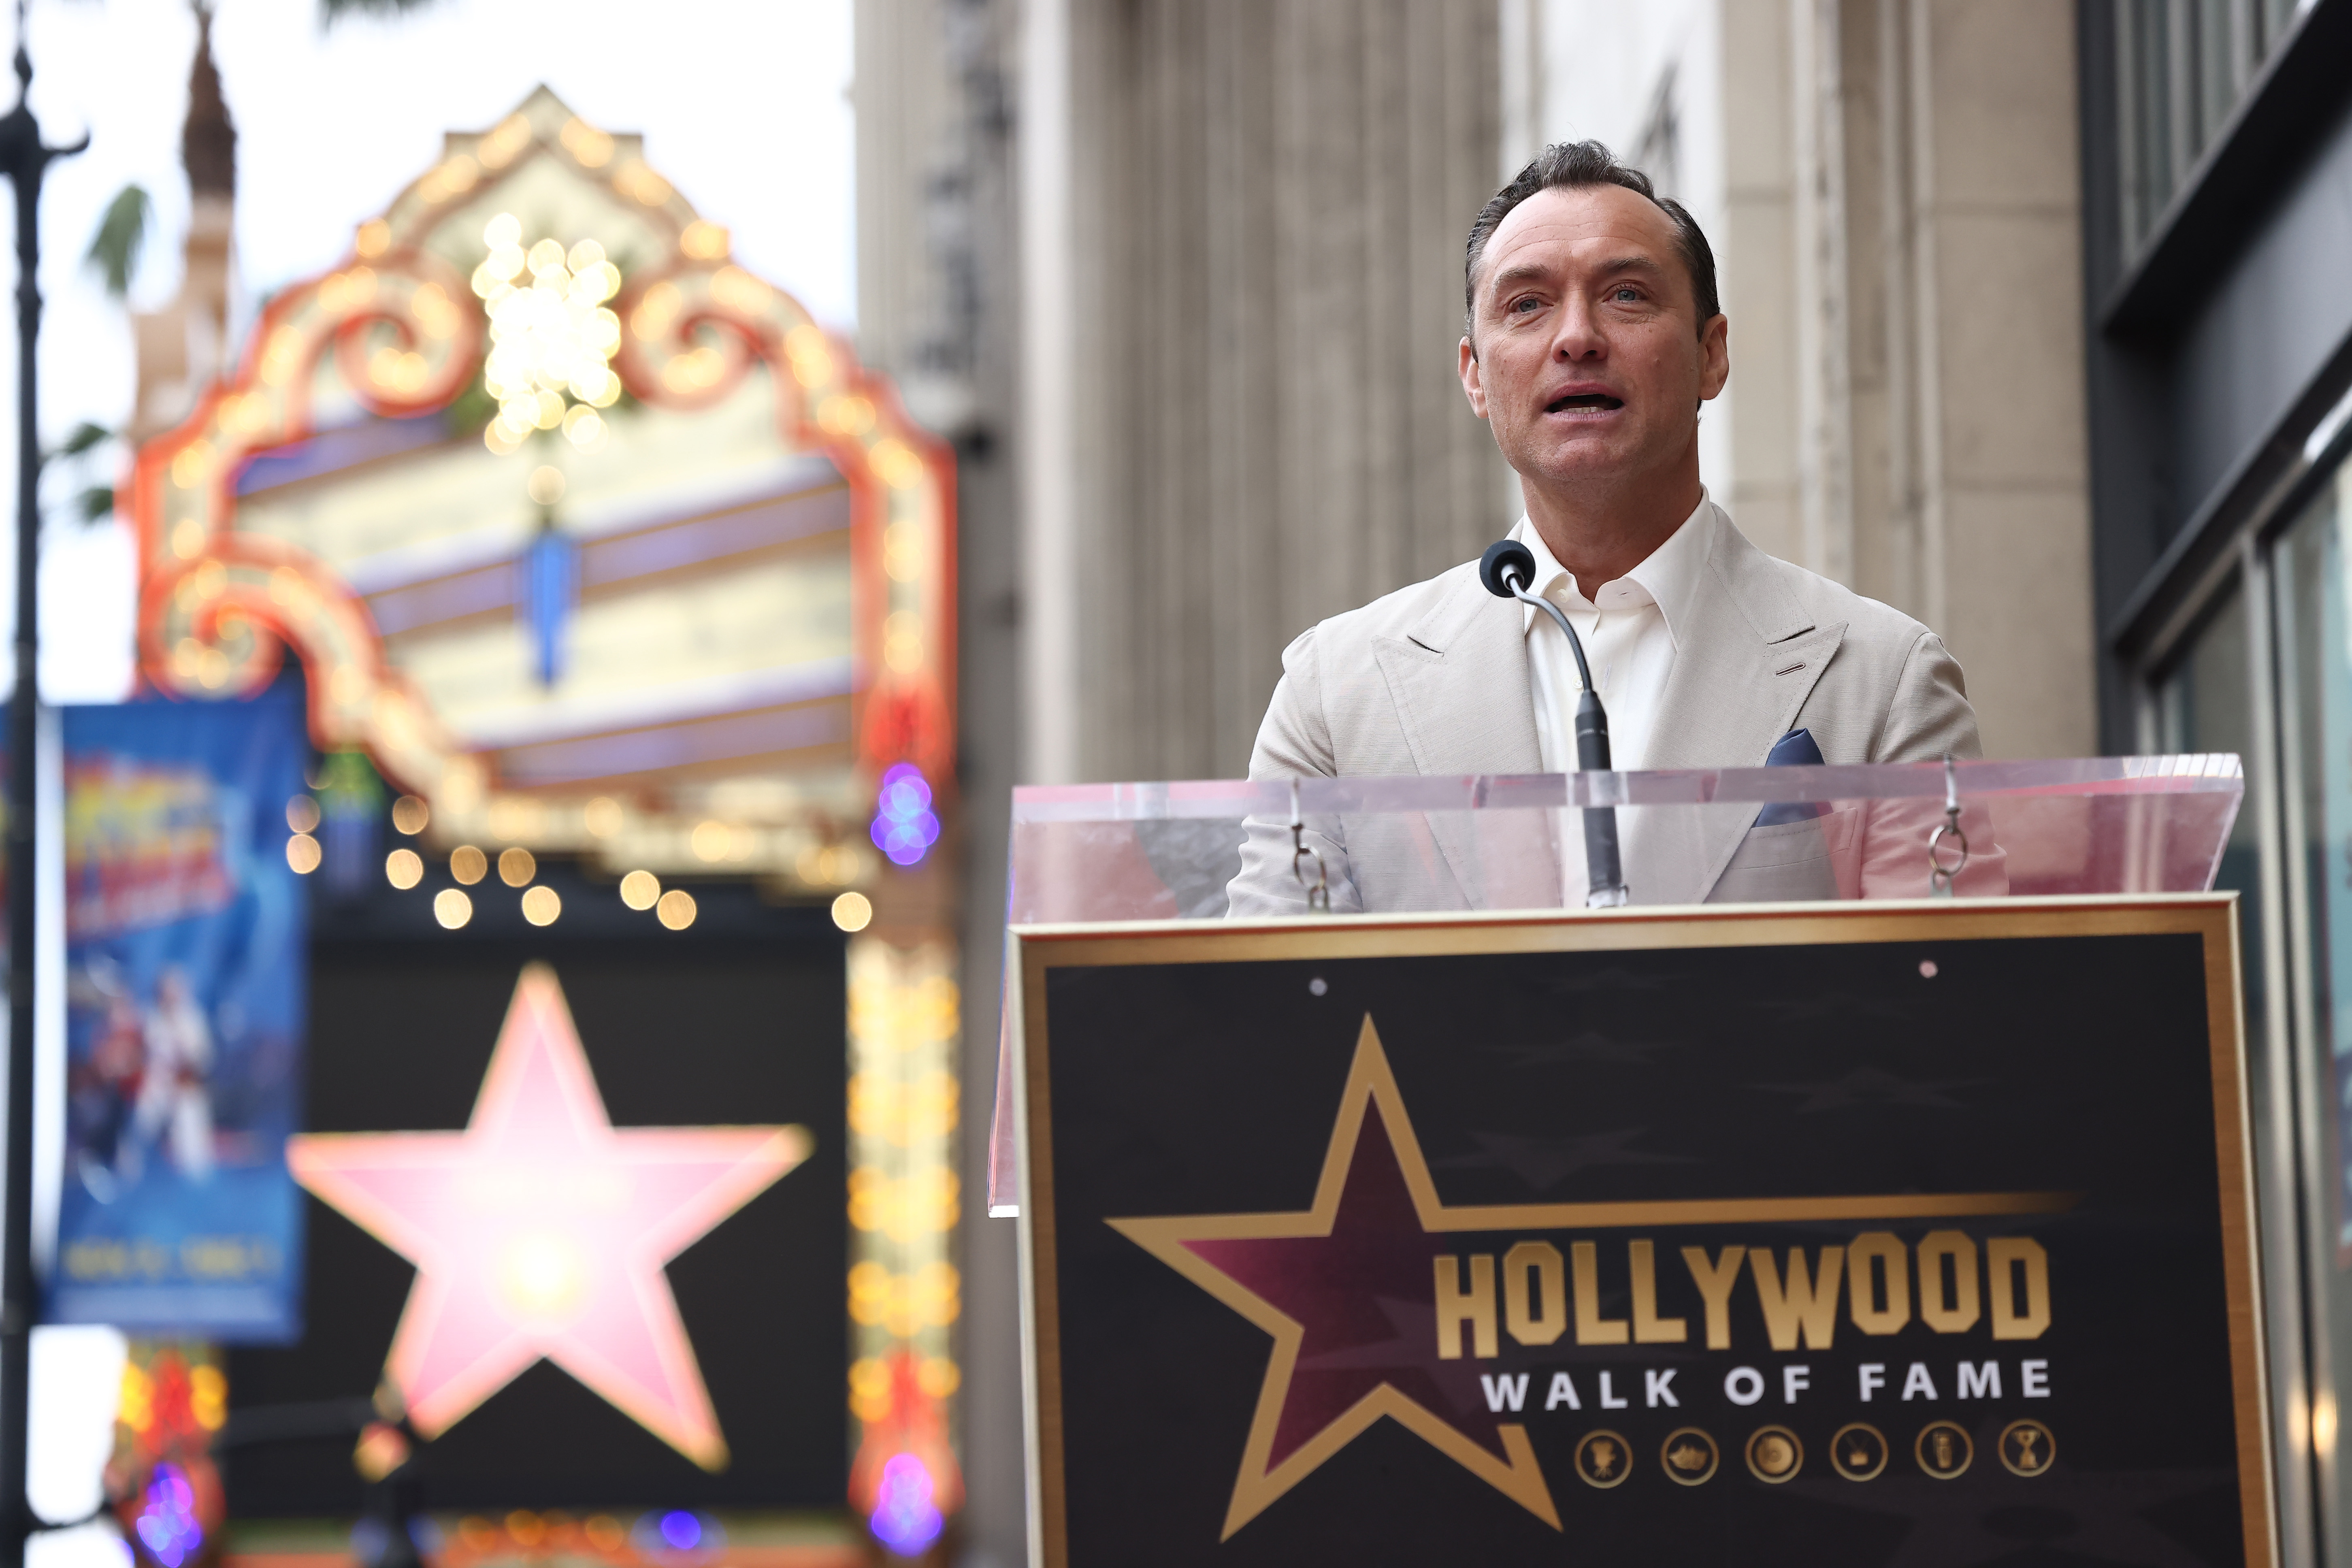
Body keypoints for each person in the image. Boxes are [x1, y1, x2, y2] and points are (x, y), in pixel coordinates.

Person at [1227, 141, 1997, 914]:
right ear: (1475, 377)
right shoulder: (1336, 692)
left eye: (1626, 294)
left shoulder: (1885, 679)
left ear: (1711, 354)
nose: (1576, 338)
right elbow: (1277, 1014)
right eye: (1526, 304)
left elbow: (1943, 1011)